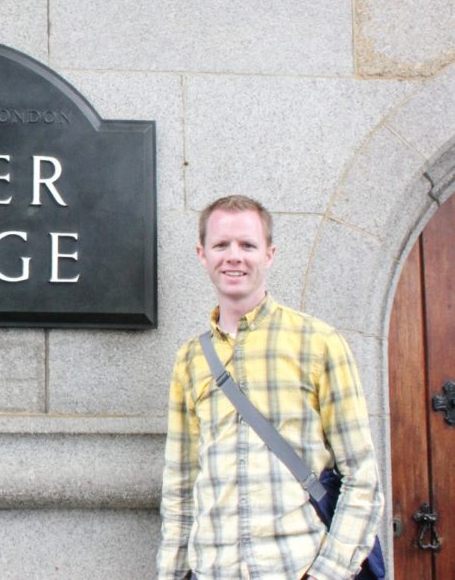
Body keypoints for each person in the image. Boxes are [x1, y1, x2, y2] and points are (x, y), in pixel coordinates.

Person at [157, 195, 383, 579]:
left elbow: (361, 476)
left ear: (269, 254)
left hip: (296, 566)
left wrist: (327, 574)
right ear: (202, 254)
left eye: (247, 245)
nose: (234, 256)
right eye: (221, 245)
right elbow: (181, 486)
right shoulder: (191, 360)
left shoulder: (318, 342)